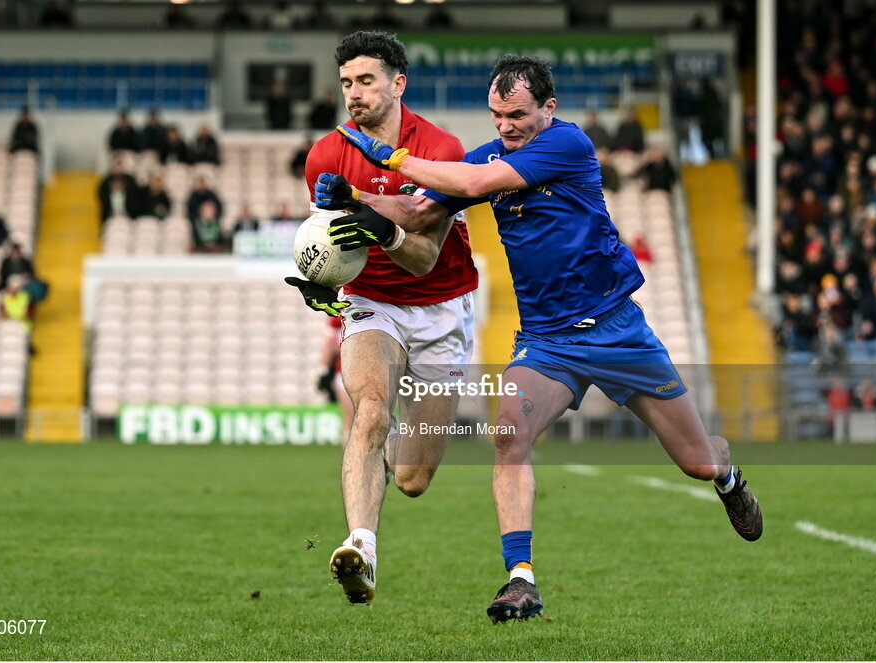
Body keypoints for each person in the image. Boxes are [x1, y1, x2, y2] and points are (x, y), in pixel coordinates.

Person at [332, 54, 762, 622]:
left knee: (697, 464)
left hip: (616, 331)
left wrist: (392, 156)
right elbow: (417, 211)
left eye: (516, 115)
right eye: (496, 116)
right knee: (507, 427)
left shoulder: (569, 146)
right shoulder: (490, 154)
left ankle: (725, 472)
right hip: (547, 341)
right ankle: (520, 579)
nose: (504, 127)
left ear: (548, 109)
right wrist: (355, 201)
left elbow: (477, 181)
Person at [283, 31, 478, 606]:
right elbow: (329, 238)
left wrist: (382, 224)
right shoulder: (325, 153)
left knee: (413, 479)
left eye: (366, 80)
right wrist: (317, 282)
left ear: (398, 83)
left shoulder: (442, 150)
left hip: (441, 304)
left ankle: (390, 463)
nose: (354, 93)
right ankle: (362, 549)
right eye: (346, 82)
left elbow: (422, 257)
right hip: (373, 303)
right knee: (370, 409)